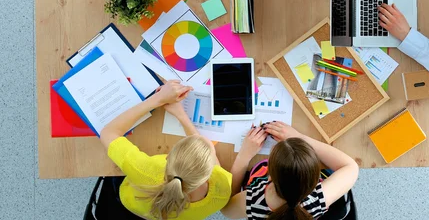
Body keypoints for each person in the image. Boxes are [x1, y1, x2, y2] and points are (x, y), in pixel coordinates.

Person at [99, 81, 232, 219]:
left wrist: (158, 99)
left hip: (130, 202)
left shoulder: (144, 170)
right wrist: (181, 115)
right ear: (209, 172)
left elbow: (108, 133)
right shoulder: (221, 190)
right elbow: (208, 154)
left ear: (167, 157)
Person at [221, 121, 359, 219]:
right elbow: (351, 166)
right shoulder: (315, 200)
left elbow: (227, 209)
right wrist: (300, 138)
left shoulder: (254, 201)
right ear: (314, 179)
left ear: (269, 176)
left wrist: (243, 157)